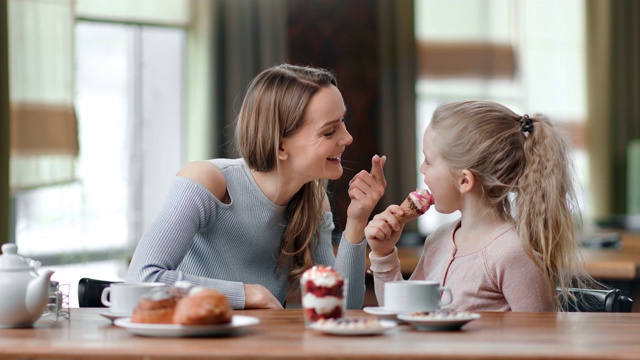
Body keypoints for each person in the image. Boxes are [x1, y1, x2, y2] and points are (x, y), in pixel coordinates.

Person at [126, 64, 387, 310]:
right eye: (329, 131)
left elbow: (341, 307)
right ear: (280, 145)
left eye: (343, 121)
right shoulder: (208, 181)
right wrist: (245, 294)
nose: (348, 137)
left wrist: (356, 220)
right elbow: (141, 279)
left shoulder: (314, 201)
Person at [364, 100, 593, 312]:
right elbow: (400, 312)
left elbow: (541, 339)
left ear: (464, 180)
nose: (422, 169)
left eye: (429, 161)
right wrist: (383, 254)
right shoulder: (438, 240)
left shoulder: (511, 253)